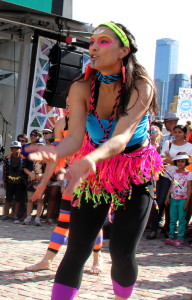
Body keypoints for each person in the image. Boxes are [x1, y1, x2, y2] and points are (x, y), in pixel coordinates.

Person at [27, 22, 163, 300]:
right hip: (96, 173)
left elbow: (121, 138)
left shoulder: (140, 85)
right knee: (77, 248)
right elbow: (74, 137)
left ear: (124, 50)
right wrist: (56, 152)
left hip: (135, 172)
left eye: (103, 42)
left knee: (122, 252)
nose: (93, 47)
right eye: (91, 42)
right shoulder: (81, 86)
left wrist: (89, 160)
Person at [25, 117, 104, 274]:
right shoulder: (62, 123)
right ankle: (47, 260)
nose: (70, 101)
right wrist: (44, 182)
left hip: (95, 178)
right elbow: (56, 157)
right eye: (67, 98)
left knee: (93, 222)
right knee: (63, 222)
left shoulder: (96, 119)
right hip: (72, 178)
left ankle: (97, 258)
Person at [147, 124, 192, 240]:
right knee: (161, 201)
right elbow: (162, 158)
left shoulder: (189, 146)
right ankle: (153, 229)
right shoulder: (168, 143)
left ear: (185, 134)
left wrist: (172, 160)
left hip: (183, 178)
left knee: (177, 203)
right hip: (167, 175)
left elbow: (189, 162)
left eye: (180, 132)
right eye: (175, 132)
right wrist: (179, 161)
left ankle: (171, 229)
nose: (177, 134)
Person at [165, 152, 192, 246]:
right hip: (173, 199)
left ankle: (180, 237)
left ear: (186, 162)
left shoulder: (189, 174)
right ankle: (171, 236)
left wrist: (187, 202)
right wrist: (168, 197)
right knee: (172, 218)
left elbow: (189, 188)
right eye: (179, 161)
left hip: (183, 199)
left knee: (182, 219)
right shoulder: (173, 173)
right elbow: (171, 186)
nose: (180, 163)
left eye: (183, 161)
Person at [2, 141, 27, 223]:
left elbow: (25, 170)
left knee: (17, 199)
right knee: (8, 199)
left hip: (20, 182)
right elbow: (4, 169)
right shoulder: (7, 158)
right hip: (9, 181)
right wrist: (4, 181)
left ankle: (15, 215)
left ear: (20, 149)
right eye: (14, 148)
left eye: (18, 148)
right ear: (11, 149)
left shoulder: (24, 159)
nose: (16, 150)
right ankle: (5, 214)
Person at [22, 142, 46, 226]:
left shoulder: (46, 159)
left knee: (40, 199)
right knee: (30, 199)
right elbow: (24, 168)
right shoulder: (30, 157)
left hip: (41, 181)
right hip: (31, 180)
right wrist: (30, 174)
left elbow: (50, 170)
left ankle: (37, 218)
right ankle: (28, 217)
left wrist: (42, 175)